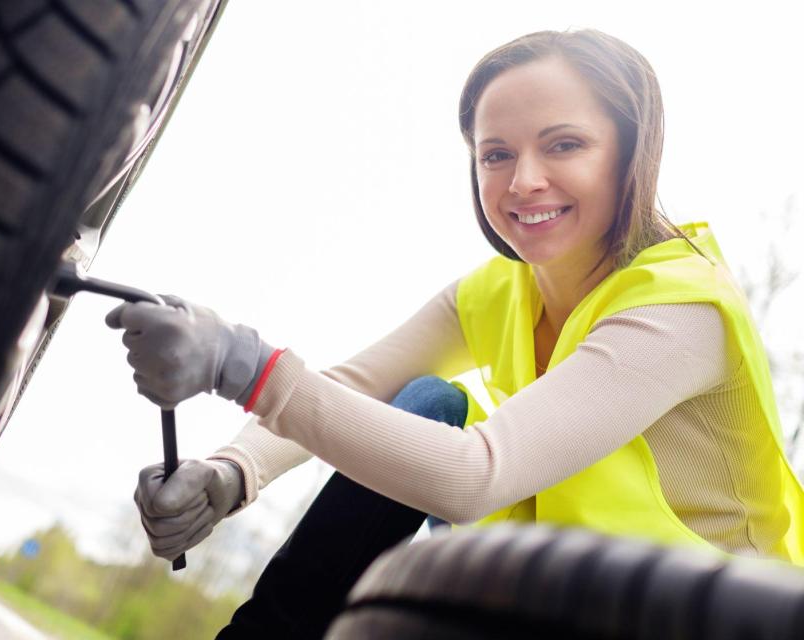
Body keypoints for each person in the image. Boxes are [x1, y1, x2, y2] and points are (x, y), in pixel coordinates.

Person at [106, 29, 804, 638]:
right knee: (429, 404)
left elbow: (475, 478)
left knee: (449, 451)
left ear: (632, 152)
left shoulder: (682, 309)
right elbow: (352, 387)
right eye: (496, 155)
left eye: (564, 144)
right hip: (543, 590)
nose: (524, 180)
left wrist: (238, 363)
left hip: (686, 619)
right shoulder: (501, 290)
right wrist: (233, 472)